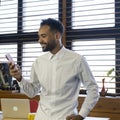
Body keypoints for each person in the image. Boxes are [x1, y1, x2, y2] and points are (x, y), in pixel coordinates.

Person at [9, 18, 99, 120]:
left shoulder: (77, 60)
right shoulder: (38, 62)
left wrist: (81, 115)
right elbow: (32, 92)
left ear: (57, 36)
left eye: (43, 36)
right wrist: (19, 78)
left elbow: (93, 89)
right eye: (39, 37)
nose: (39, 41)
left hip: (66, 117)